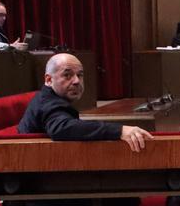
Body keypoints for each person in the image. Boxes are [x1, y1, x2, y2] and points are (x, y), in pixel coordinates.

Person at [18, 53, 152, 152]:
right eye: (67, 75)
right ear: (48, 80)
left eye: (80, 75)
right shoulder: (49, 104)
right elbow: (63, 128)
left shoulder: (50, 98)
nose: (76, 81)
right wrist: (120, 131)